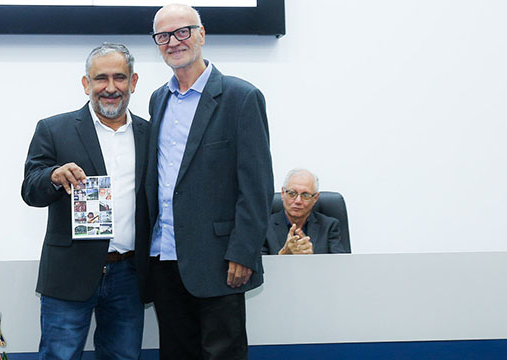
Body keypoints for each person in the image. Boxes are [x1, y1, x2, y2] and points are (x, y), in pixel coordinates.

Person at [135, 4, 274, 359]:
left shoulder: (241, 98)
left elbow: (256, 186)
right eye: (163, 36)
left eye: (183, 31)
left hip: (219, 262)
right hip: (165, 259)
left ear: (201, 34)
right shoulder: (158, 99)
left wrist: (243, 251)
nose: (173, 42)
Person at [21, 43, 149, 359]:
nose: (110, 87)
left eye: (119, 78)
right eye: (100, 78)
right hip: (69, 273)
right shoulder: (54, 129)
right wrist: (52, 176)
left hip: (129, 275)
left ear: (133, 82)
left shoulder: (151, 133)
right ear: (86, 84)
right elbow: (29, 189)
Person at [262, 168, 347, 255]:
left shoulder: (329, 227)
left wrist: (311, 259)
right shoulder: (264, 226)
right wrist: (284, 254)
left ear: (315, 198)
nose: (298, 201)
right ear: (283, 193)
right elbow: (258, 265)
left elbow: (340, 265)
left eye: (305, 195)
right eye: (292, 193)